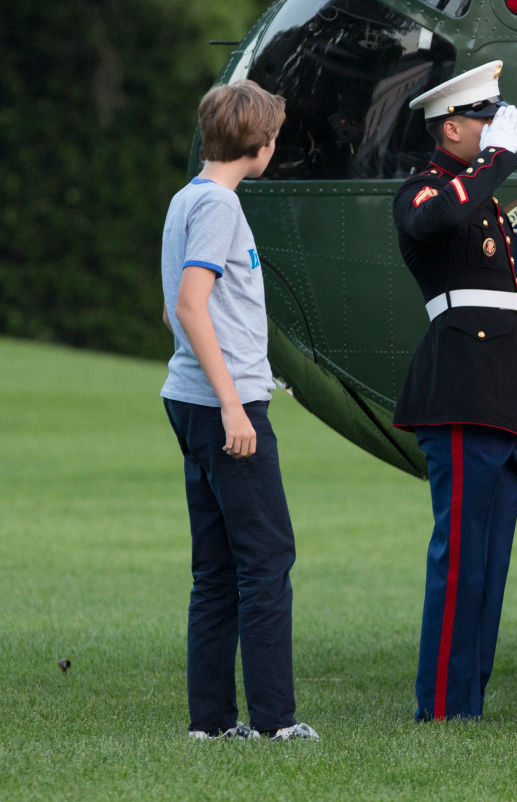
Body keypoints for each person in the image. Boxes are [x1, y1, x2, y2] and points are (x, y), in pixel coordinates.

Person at [160, 79, 318, 741]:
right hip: (226, 407)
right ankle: (277, 723)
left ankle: (213, 723)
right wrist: (233, 406)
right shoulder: (219, 206)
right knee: (266, 559)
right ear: (262, 144)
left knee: (219, 566)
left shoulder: (187, 198)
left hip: (188, 399)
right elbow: (191, 304)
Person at [392, 61, 517, 721]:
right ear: (453, 126)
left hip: (494, 397)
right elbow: (430, 222)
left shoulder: (478, 195)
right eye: (483, 118)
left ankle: (467, 698)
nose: (493, 127)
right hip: (458, 391)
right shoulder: (427, 188)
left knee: (490, 561)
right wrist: (498, 157)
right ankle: (442, 706)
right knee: (461, 557)